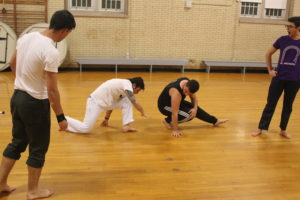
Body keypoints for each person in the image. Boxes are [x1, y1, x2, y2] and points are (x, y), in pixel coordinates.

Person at [0, 10, 76, 200]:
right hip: (35, 104)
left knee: (17, 142)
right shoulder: (51, 51)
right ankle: (32, 191)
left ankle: (1, 183)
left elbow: (12, 62)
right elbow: (52, 90)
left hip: (17, 98)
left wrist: (23, 83)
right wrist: (61, 117)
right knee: (38, 148)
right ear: (65, 31)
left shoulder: (28, 37)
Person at [252, 17, 300, 139]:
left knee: (288, 106)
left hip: (294, 80)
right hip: (279, 78)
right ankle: (261, 128)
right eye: (287, 26)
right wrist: (270, 70)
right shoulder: (282, 40)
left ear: (298, 28)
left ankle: (283, 129)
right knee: (270, 103)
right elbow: (268, 53)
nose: (287, 29)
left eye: (290, 26)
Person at [65, 77, 148, 133]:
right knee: (85, 128)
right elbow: (134, 101)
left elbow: (112, 103)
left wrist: (106, 119)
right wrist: (142, 112)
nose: (137, 92)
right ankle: (64, 119)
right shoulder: (127, 84)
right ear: (134, 85)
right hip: (95, 102)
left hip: (105, 103)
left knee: (126, 101)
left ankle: (126, 126)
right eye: (138, 90)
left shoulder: (123, 89)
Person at [157, 77, 228, 137]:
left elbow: (194, 99)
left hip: (176, 101)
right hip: (164, 106)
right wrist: (175, 130)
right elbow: (175, 113)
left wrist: (195, 109)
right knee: (189, 115)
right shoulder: (176, 92)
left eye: (188, 93)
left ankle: (215, 121)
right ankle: (167, 121)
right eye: (185, 91)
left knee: (193, 109)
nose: (186, 94)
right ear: (185, 85)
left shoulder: (188, 84)